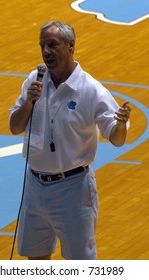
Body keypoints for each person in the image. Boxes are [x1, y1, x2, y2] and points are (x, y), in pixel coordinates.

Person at [9, 20, 131, 260]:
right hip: (34, 184)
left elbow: (117, 139)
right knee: (35, 259)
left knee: (79, 265)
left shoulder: (91, 90)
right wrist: (28, 103)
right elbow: (15, 126)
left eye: (52, 45)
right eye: (42, 46)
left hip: (73, 189)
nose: (46, 52)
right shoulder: (35, 79)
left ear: (71, 45)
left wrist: (119, 124)